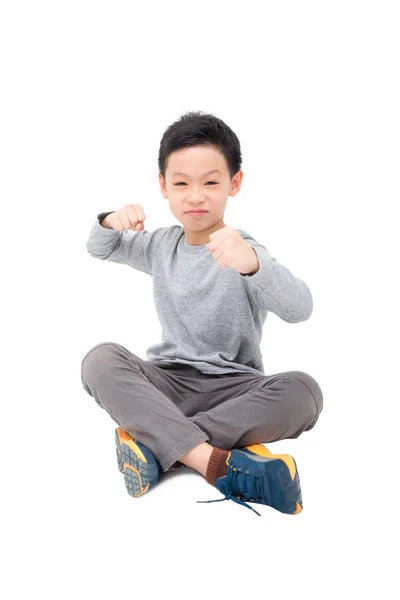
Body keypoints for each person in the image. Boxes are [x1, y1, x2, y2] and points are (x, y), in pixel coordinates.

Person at [81, 110, 323, 517]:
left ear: (235, 183)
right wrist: (110, 220)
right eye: (181, 183)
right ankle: (211, 461)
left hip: (236, 389)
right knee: (99, 360)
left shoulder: (244, 249)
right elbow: (99, 247)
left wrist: (253, 266)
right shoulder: (160, 245)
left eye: (211, 182)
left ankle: (160, 445)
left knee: (306, 392)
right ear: (163, 186)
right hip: (167, 384)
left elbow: (301, 309)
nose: (195, 195)